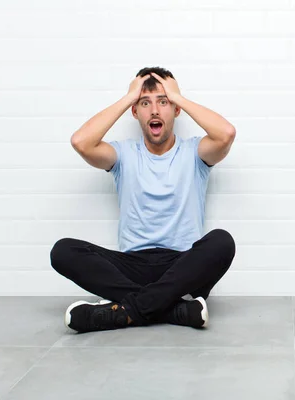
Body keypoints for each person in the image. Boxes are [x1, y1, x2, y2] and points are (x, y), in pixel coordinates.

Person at [49, 67, 236, 334]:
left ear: (176, 109)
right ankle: (175, 309)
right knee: (63, 251)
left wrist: (178, 96)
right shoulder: (123, 154)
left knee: (222, 242)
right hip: (131, 267)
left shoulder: (196, 152)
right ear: (135, 112)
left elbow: (226, 133)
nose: (155, 111)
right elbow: (81, 142)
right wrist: (128, 98)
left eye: (164, 102)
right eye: (145, 103)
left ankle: (125, 311)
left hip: (183, 268)